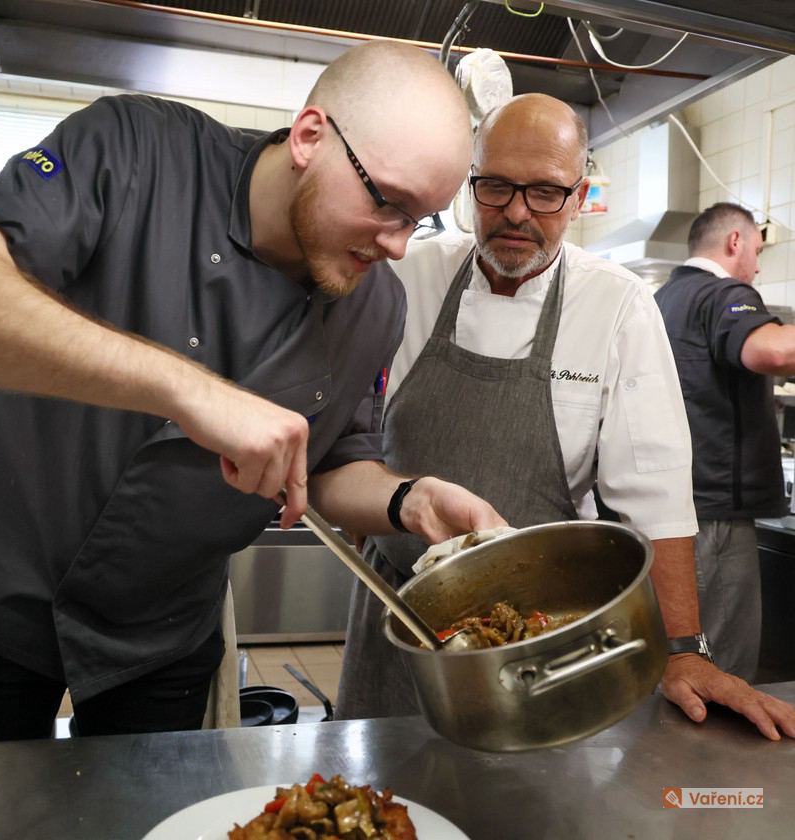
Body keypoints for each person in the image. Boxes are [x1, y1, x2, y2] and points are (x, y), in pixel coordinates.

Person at [0, 40, 507, 742]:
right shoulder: (137, 150)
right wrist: (190, 390)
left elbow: (334, 465)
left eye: (421, 219)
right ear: (310, 136)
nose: (399, 246)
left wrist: (410, 498)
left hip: (160, 638)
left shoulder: (378, 306)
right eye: (389, 204)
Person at [336, 94, 795, 741]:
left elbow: (656, 501)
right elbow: (346, 437)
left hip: (537, 640)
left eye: (547, 192)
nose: (518, 212)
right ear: (469, 184)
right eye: (495, 187)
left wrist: (686, 648)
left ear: (580, 197)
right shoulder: (405, 277)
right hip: (399, 623)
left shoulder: (618, 307)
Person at [655, 202, 794, 682]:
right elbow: (772, 349)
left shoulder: (664, 299)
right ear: (735, 241)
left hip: (667, 513)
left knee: (675, 667)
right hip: (713, 517)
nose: (756, 265)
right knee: (720, 671)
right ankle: (708, 761)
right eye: (757, 251)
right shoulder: (725, 293)